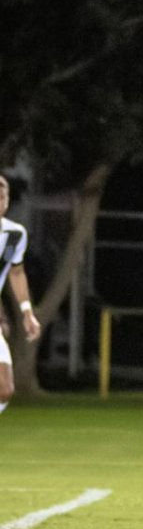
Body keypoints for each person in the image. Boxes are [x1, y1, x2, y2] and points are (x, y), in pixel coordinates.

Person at [0, 174, 42, 415]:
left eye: (2, 197)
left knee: (5, 388)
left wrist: (27, 312)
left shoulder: (15, 235)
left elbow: (16, 273)